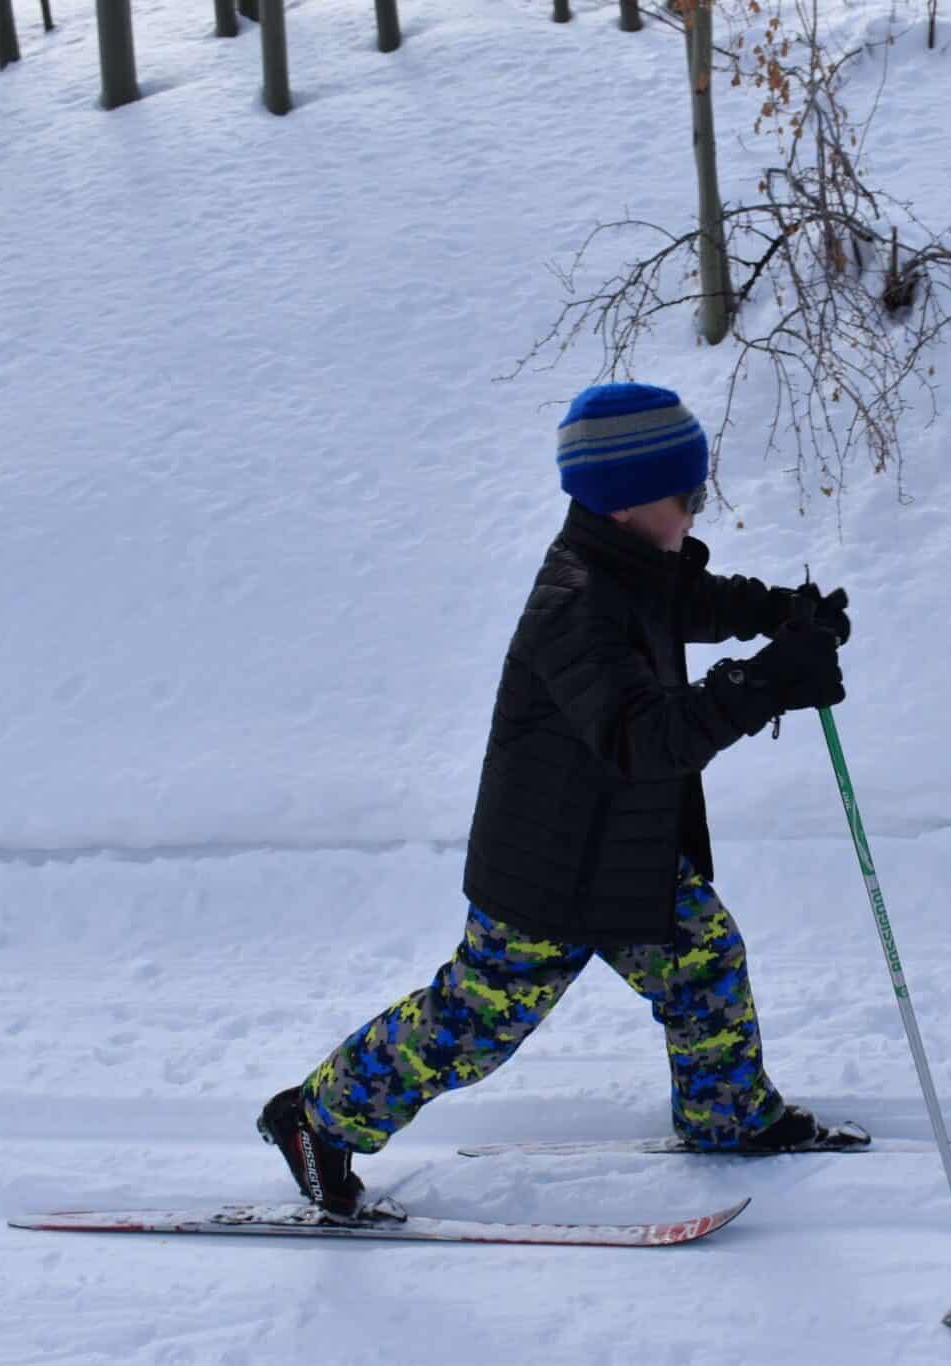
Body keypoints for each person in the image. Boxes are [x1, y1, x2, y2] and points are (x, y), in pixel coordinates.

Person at [258, 381, 855, 1215]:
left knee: (703, 962)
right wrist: (764, 683)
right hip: (552, 865)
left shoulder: (634, 564)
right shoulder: (575, 604)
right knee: (475, 1022)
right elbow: (646, 738)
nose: (696, 505)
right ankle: (315, 1120)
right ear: (627, 503)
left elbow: (693, 600)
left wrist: (781, 614)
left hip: (624, 846)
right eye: (687, 493)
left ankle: (725, 1117)